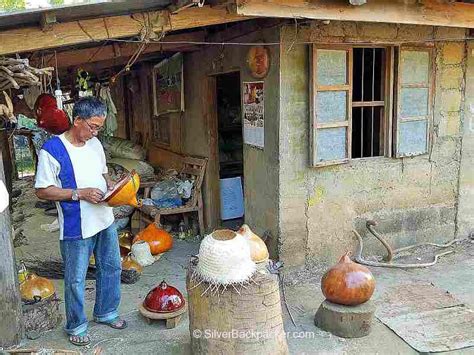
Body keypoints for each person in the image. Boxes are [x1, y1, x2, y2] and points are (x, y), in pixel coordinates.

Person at [35, 97, 126, 346]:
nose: (95, 132)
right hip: (76, 224)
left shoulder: (95, 144)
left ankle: (106, 312)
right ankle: (76, 325)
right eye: (93, 127)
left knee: (111, 267)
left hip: (104, 218)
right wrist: (79, 193)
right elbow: (42, 190)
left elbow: (103, 173)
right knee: (76, 278)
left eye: (99, 127)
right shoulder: (52, 150)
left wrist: (113, 186)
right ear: (77, 121)